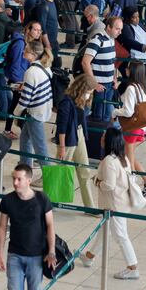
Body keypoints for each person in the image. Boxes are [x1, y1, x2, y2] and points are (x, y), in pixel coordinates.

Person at [79, 127, 140, 279]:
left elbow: (109, 185)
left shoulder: (108, 161)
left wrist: (97, 181)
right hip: (122, 202)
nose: (101, 138)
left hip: (114, 205)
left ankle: (133, 267)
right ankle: (89, 256)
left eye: (104, 136)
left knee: (121, 236)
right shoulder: (123, 158)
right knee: (104, 230)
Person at [0, 163, 57, 290]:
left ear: (29, 181)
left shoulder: (42, 199)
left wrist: (51, 251)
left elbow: (50, 225)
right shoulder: (8, 200)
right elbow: (2, 227)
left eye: (19, 179)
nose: (15, 182)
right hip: (14, 256)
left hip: (36, 256)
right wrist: (0, 254)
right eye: (14, 179)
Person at [114, 61, 146, 195]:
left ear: (132, 71)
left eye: (128, 68)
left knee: (129, 159)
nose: (126, 70)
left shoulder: (131, 88)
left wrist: (115, 112)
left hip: (133, 128)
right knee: (128, 155)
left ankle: (132, 188)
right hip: (142, 128)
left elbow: (128, 111)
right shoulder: (141, 86)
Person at [55, 74, 96, 209]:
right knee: (61, 171)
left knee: (85, 171)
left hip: (78, 135)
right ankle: (51, 202)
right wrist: (61, 147)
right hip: (67, 139)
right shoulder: (66, 102)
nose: (89, 95)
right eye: (88, 92)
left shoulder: (80, 101)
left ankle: (90, 206)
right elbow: (61, 126)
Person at [17, 42, 54, 167]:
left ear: (33, 54)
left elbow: (25, 100)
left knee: (40, 150)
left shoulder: (31, 72)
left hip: (35, 113)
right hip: (42, 109)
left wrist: (16, 114)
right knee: (25, 140)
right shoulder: (45, 68)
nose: (23, 52)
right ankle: (25, 168)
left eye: (26, 50)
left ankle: (50, 179)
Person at [82, 16, 122, 123]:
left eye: (121, 29)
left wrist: (114, 78)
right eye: (117, 29)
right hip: (99, 86)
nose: (120, 32)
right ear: (108, 27)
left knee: (106, 115)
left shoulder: (112, 40)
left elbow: (111, 62)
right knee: (98, 117)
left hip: (109, 85)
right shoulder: (97, 40)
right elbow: (85, 62)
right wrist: (94, 83)